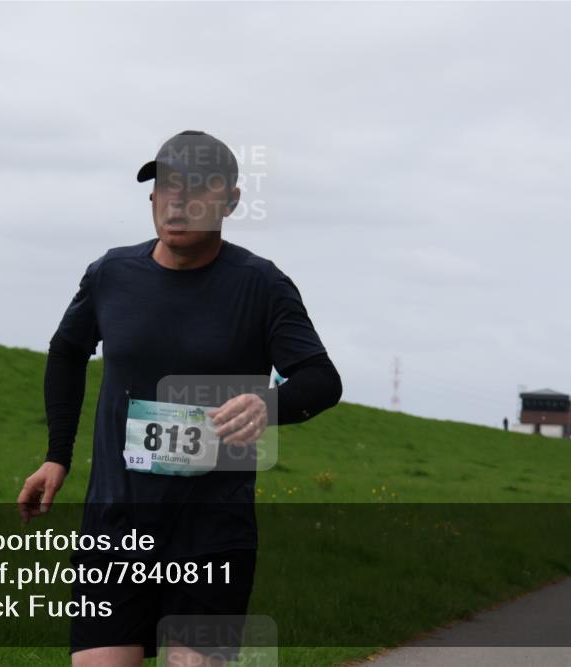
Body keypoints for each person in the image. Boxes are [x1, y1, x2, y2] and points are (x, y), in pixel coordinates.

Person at [18, 130, 343, 667]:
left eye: (195, 188)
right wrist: (58, 454)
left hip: (211, 534)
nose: (177, 200)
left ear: (230, 201)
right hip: (115, 527)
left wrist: (268, 402)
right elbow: (66, 351)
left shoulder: (260, 285)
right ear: (151, 197)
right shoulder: (111, 275)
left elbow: (321, 379)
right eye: (165, 186)